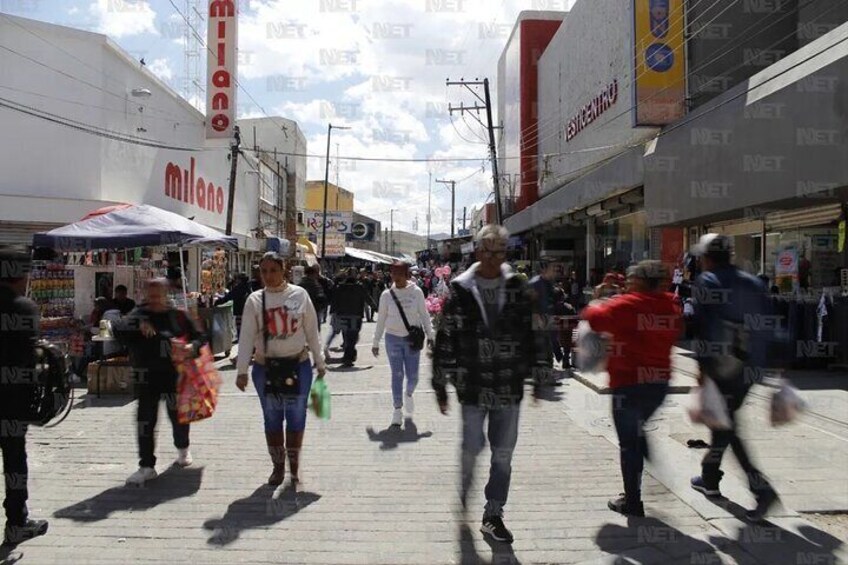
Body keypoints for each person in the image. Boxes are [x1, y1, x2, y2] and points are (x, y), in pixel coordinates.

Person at [432, 225, 550, 544]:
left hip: (508, 387)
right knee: (471, 449)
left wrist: (540, 375)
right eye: (487, 250)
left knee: (503, 455)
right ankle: (465, 491)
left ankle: (493, 513)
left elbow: (535, 333)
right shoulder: (460, 289)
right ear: (476, 251)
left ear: (505, 253)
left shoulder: (518, 288)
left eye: (499, 251)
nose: (492, 257)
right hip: (471, 387)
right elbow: (446, 337)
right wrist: (440, 384)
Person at [688, 234, 779, 522]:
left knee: (727, 426)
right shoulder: (753, 281)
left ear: (706, 257)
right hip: (753, 366)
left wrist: (702, 368)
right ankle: (710, 478)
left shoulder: (707, 281)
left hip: (722, 364)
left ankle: (762, 491)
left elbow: (702, 328)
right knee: (724, 422)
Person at [581, 261, 682, 517]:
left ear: (638, 281)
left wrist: (598, 298)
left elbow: (594, 319)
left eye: (631, 279)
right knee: (636, 434)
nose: (627, 282)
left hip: (627, 384)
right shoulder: (671, 305)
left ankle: (633, 502)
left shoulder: (627, 305)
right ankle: (647, 464)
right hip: (658, 384)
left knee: (629, 444)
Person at [235, 252, 325, 487]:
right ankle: (278, 468)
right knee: (272, 418)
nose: (268, 276)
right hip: (266, 368)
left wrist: (320, 359)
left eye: (273, 270)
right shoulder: (254, 300)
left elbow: (311, 329)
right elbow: (245, 336)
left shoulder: (299, 294)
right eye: (263, 271)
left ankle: (294, 469)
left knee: (296, 417)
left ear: (283, 270)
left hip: (298, 364)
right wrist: (242, 370)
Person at [113, 278, 206, 486]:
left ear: (166, 293)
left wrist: (192, 347)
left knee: (178, 417)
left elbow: (201, 337)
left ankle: (183, 448)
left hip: (175, 376)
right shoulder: (138, 314)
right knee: (145, 420)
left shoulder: (178, 316)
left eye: (158, 294)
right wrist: (137, 323)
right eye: (151, 294)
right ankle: (146, 466)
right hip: (146, 377)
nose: (154, 299)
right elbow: (117, 328)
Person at [0, 248, 49, 546]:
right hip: (11, 401)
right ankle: (17, 522)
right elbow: (30, 359)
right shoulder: (23, 307)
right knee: (15, 460)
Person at [372, 261, 435, 427]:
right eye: (394, 275)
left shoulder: (417, 292)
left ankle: (409, 393)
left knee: (413, 376)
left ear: (407, 275)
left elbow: (424, 314)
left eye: (400, 275)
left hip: (411, 339)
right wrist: (375, 341)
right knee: (397, 374)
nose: (397, 278)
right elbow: (381, 319)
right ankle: (397, 410)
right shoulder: (386, 295)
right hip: (392, 338)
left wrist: (431, 335)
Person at [529, 261, 562, 371]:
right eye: (553, 269)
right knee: (542, 346)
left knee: (549, 344)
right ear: (544, 269)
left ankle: (549, 368)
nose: (555, 272)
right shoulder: (535, 283)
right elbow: (531, 303)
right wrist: (537, 318)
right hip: (539, 318)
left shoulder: (549, 282)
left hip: (549, 316)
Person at [331, 269, 367, 367]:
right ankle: (348, 357)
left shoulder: (340, 288)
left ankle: (349, 356)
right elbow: (367, 298)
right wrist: (376, 307)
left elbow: (334, 301)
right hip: (356, 316)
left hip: (343, 315)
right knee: (352, 337)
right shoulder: (359, 287)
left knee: (347, 337)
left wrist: (334, 313)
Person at [215, 273, 253, 337]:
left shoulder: (239, 288)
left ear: (239, 280)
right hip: (247, 311)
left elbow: (229, 297)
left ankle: (241, 343)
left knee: (240, 330)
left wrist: (217, 302)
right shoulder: (248, 287)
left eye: (237, 279)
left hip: (239, 311)